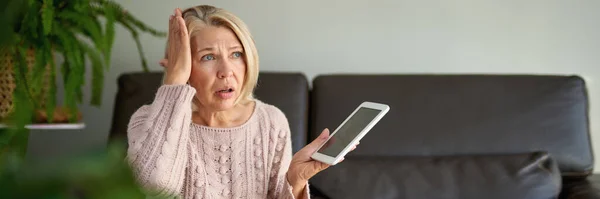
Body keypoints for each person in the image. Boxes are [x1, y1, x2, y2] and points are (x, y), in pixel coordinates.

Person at [126, 5, 357, 199]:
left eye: (236, 54)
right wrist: (174, 81)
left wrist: (295, 179)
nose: (227, 71)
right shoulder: (146, 121)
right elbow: (149, 189)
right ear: (182, 64)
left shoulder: (270, 122)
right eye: (208, 57)